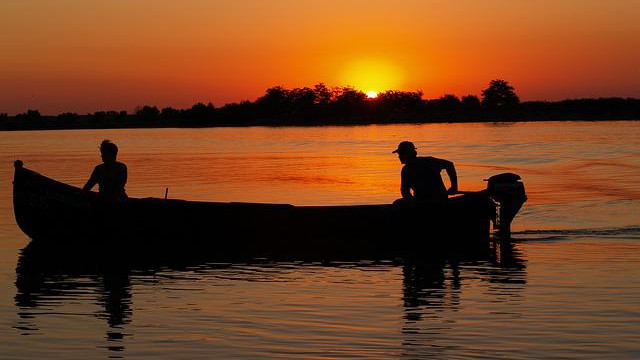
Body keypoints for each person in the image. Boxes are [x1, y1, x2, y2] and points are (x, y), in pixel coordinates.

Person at [392, 141, 458, 203]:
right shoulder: (406, 170)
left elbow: (449, 165)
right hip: (421, 200)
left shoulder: (428, 162)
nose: (399, 157)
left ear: (407, 154)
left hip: (437, 199)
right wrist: (454, 186)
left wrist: (454, 187)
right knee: (398, 203)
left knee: (397, 203)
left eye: (400, 154)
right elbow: (405, 191)